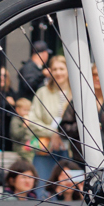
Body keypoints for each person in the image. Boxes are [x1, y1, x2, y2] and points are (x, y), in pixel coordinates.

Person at [22, 55, 73, 198]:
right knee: (42, 190)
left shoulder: (77, 92)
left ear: (68, 70)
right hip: (46, 148)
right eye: (55, 69)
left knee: (71, 193)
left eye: (61, 69)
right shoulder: (42, 92)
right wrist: (53, 133)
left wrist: (61, 134)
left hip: (71, 148)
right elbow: (33, 120)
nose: (58, 72)